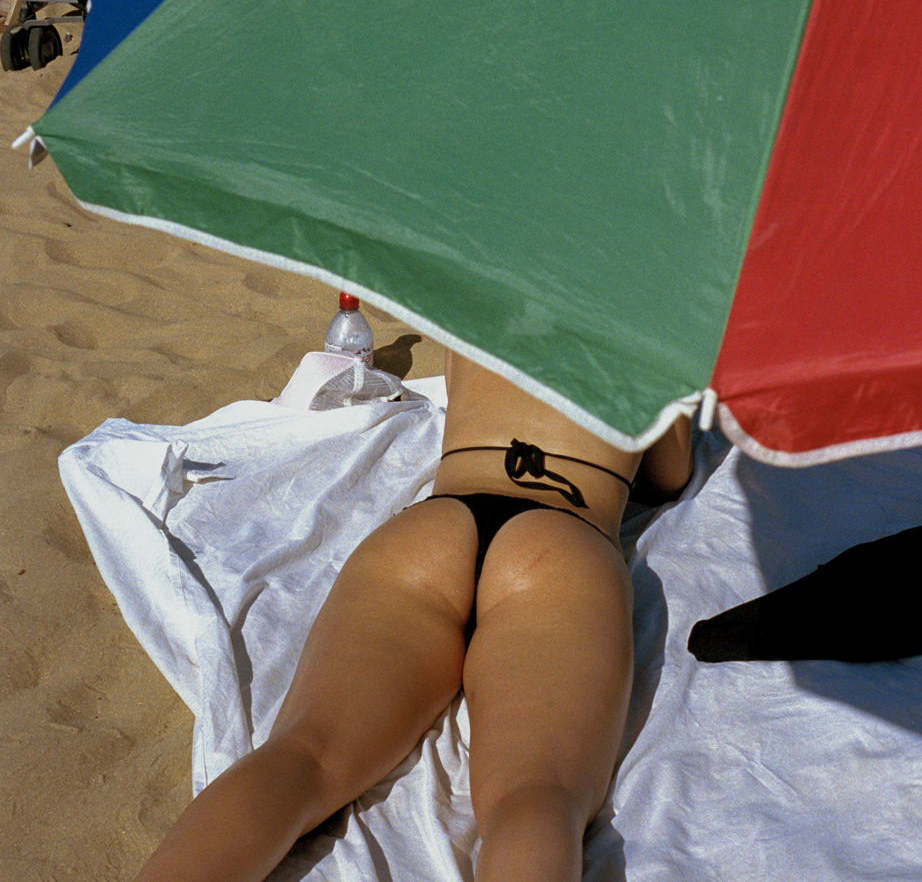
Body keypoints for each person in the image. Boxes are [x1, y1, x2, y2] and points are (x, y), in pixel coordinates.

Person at [130, 345, 694, 882]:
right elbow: (669, 476)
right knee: (537, 796)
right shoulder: (648, 321)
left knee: (305, 754)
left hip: (438, 526)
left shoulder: (478, 281)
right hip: (561, 533)